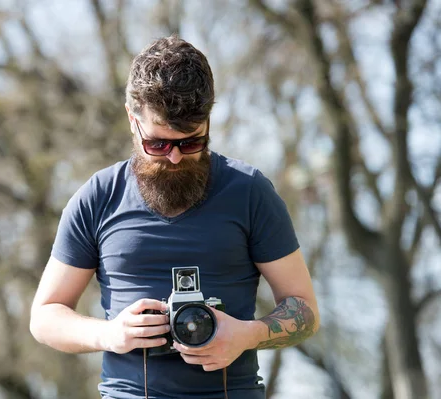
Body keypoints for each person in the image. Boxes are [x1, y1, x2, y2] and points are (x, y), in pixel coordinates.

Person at [29, 35, 320, 399]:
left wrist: (248, 334)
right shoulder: (98, 198)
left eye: (191, 142)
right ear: (131, 119)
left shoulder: (250, 191)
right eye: (158, 144)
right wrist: (109, 333)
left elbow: (305, 309)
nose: (175, 157)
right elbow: (44, 317)